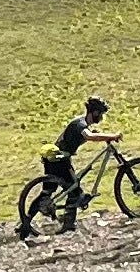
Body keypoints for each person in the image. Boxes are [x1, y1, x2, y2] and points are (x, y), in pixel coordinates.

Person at [20, 95, 108, 237]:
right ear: (95, 112)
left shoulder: (80, 123)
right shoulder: (81, 124)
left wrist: (99, 135)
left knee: (48, 192)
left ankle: (26, 223)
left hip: (54, 159)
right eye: (101, 114)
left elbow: (85, 135)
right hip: (60, 161)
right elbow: (89, 136)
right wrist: (111, 136)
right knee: (74, 191)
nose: (102, 118)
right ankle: (68, 224)